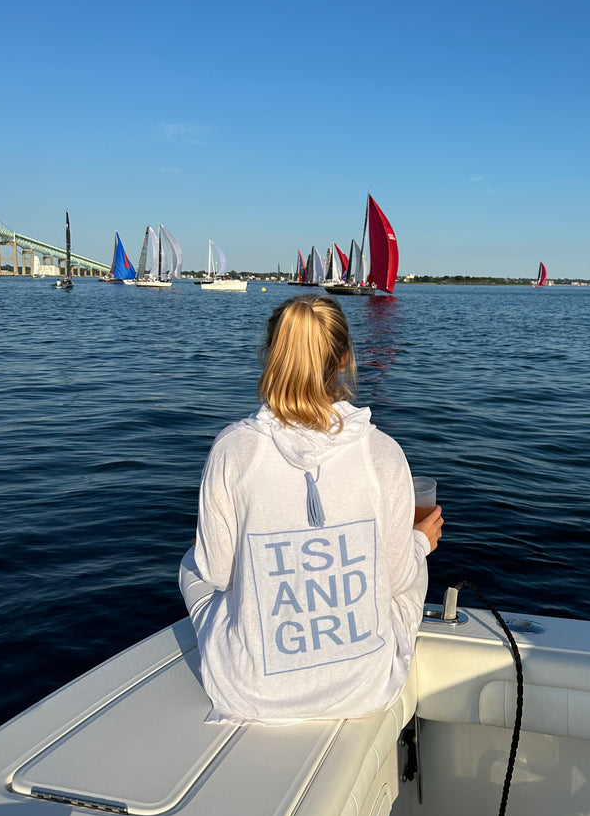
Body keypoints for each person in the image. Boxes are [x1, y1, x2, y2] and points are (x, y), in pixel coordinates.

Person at [179, 294, 442, 724]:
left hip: (252, 690)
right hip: (366, 686)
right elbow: (397, 579)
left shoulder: (233, 450)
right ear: (344, 359)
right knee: (410, 565)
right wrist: (420, 542)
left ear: (271, 356)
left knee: (194, 562)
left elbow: (218, 575)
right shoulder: (383, 453)